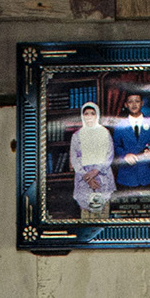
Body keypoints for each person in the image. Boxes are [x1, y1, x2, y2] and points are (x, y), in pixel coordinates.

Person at [110, 87, 150, 213]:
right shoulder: (119, 125)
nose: (134, 104)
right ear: (126, 104)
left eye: (137, 101)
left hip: (147, 175)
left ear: (142, 103)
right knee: (127, 214)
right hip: (126, 177)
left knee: (147, 213)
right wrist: (124, 155)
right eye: (131, 102)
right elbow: (116, 146)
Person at [67, 94, 116, 222]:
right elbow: (74, 158)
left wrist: (95, 171)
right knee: (86, 216)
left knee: (102, 214)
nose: (89, 116)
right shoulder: (76, 136)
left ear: (97, 115)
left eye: (92, 113)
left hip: (102, 175)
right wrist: (87, 177)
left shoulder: (104, 132)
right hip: (83, 178)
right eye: (86, 113)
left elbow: (109, 155)